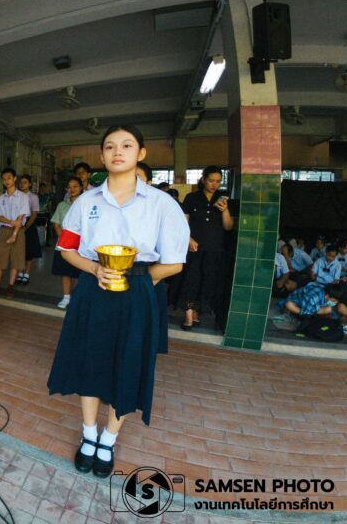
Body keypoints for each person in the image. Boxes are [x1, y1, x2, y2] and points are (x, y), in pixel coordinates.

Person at [47, 124, 188, 478]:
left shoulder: (162, 204)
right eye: (110, 146)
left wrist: (141, 280)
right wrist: (95, 270)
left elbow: (174, 261)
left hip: (138, 290)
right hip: (93, 290)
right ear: (102, 156)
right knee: (90, 359)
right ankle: (89, 434)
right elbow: (65, 248)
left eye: (127, 145)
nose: (117, 151)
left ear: (141, 154)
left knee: (128, 363)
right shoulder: (85, 202)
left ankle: (109, 438)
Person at [177, 166, 234, 330]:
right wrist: (188, 239)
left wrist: (225, 210)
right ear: (203, 179)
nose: (214, 184)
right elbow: (182, 223)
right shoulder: (192, 198)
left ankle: (196, 311)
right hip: (194, 247)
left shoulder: (223, 199)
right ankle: (188, 313)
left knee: (207, 282)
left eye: (217, 181)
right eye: (210, 180)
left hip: (215, 248)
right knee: (191, 279)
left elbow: (228, 226)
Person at [0, 168, 30, 298]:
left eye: (9, 178)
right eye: (4, 179)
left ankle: (10, 287)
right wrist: (12, 223)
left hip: (19, 233)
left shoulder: (23, 197)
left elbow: (21, 217)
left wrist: (14, 234)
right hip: (5, 230)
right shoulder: (1, 198)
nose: (6, 181)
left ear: (14, 178)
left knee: (16, 260)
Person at [50, 177, 83, 309]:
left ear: (81, 188)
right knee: (65, 272)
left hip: (81, 246)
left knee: (79, 273)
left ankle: (77, 296)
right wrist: (65, 239)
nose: (72, 189)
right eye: (69, 187)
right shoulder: (62, 205)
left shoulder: (86, 204)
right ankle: (66, 297)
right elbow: (56, 224)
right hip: (64, 244)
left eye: (75, 186)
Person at [17, 174, 43, 285]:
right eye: (21, 182)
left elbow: (34, 213)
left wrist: (26, 226)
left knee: (29, 251)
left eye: (25, 182)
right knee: (19, 251)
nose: (22, 184)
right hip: (17, 223)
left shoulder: (33, 197)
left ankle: (26, 274)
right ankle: (19, 272)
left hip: (28, 224)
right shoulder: (16, 195)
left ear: (30, 184)